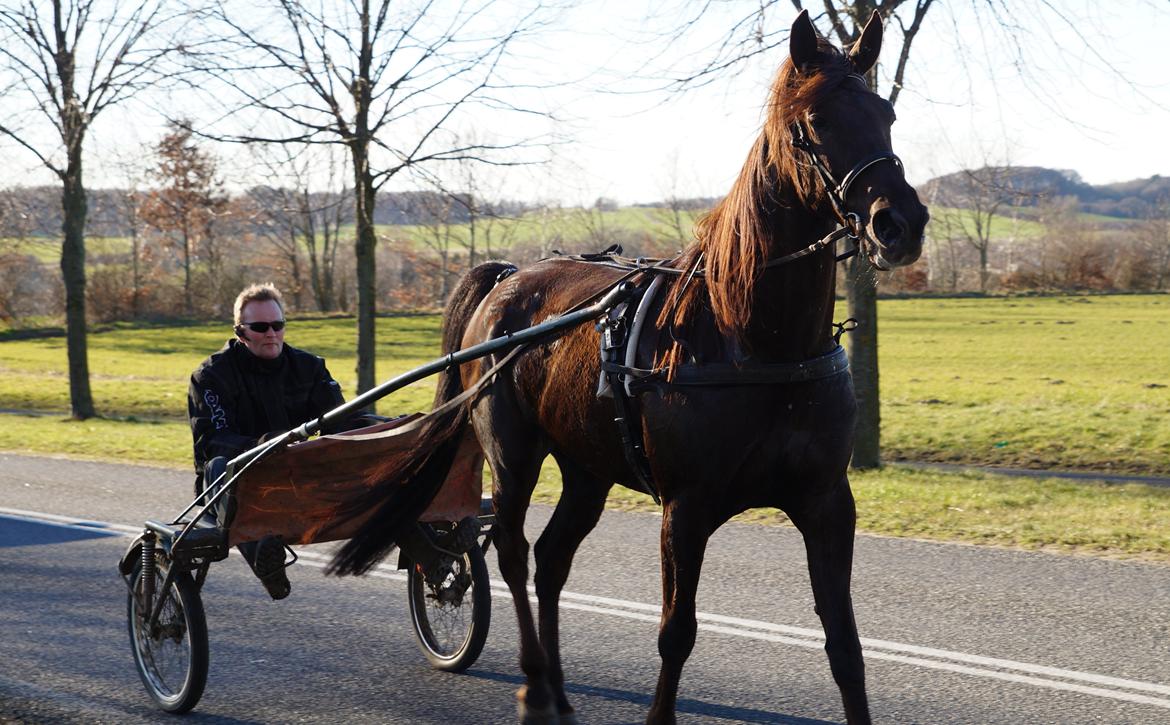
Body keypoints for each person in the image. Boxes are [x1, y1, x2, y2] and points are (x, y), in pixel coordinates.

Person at [188, 283, 351, 600]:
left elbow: (340, 422)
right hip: (237, 482)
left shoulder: (310, 367)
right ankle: (266, 556)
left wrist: (383, 427)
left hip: (297, 477)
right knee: (220, 466)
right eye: (260, 327)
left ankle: (425, 535)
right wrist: (266, 444)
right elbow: (213, 442)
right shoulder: (210, 376)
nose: (271, 334)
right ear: (240, 332)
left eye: (277, 326)